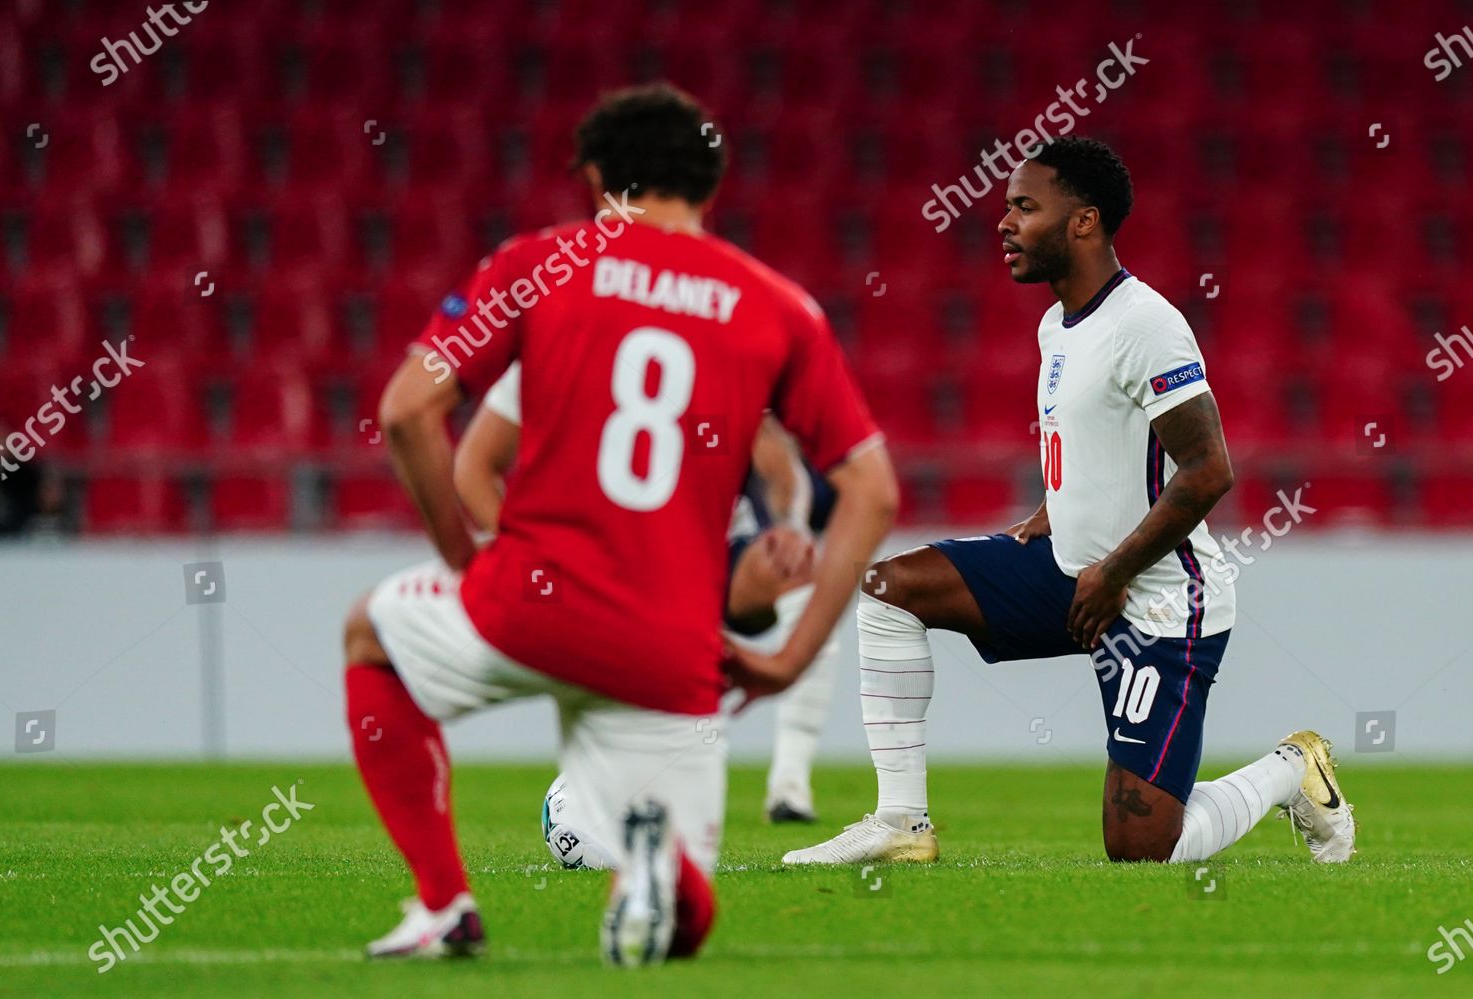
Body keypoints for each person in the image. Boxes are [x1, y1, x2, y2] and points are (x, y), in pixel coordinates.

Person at [340, 83, 899, 966]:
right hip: (668, 641)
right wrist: (790, 659)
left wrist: (461, 557)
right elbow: (872, 489)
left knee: (371, 633)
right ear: (710, 188)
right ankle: (654, 870)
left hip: (526, 600)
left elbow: (409, 410)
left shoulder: (541, 264)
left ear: (598, 178)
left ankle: (447, 907)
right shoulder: (778, 307)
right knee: (686, 924)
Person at [769, 136, 1356, 868]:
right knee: (892, 590)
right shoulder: (1056, 325)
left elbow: (1208, 470)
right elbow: (1099, 444)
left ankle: (1289, 769)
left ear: (1083, 221)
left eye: (1024, 207)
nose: (1004, 223)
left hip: (1157, 598)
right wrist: (1058, 508)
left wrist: (1113, 572)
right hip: (1071, 571)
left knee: (1141, 848)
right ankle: (901, 823)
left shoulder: (1146, 323)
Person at [456, 367, 843, 834]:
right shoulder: (561, 354)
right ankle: (623, 774)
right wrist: (527, 556)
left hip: (710, 555)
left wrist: (794, 524)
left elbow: (777, 457)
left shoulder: (714, 352)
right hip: (603, 560)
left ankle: (790, 783)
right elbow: (474, 467)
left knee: (799, 567)